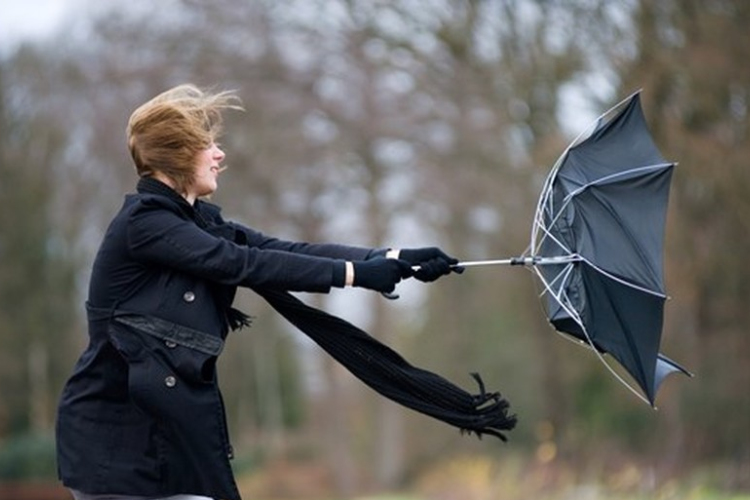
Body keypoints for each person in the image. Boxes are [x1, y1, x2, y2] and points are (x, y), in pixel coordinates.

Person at [55, 84, 461, 500]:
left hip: (167, 444)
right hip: (115, 451)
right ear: (177, 153)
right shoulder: (144, 224)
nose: (219, 154)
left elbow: (280, 250)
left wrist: (392, 257)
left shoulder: (195, 222)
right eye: (207, 145)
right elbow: (241, 263)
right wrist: (357, 274)